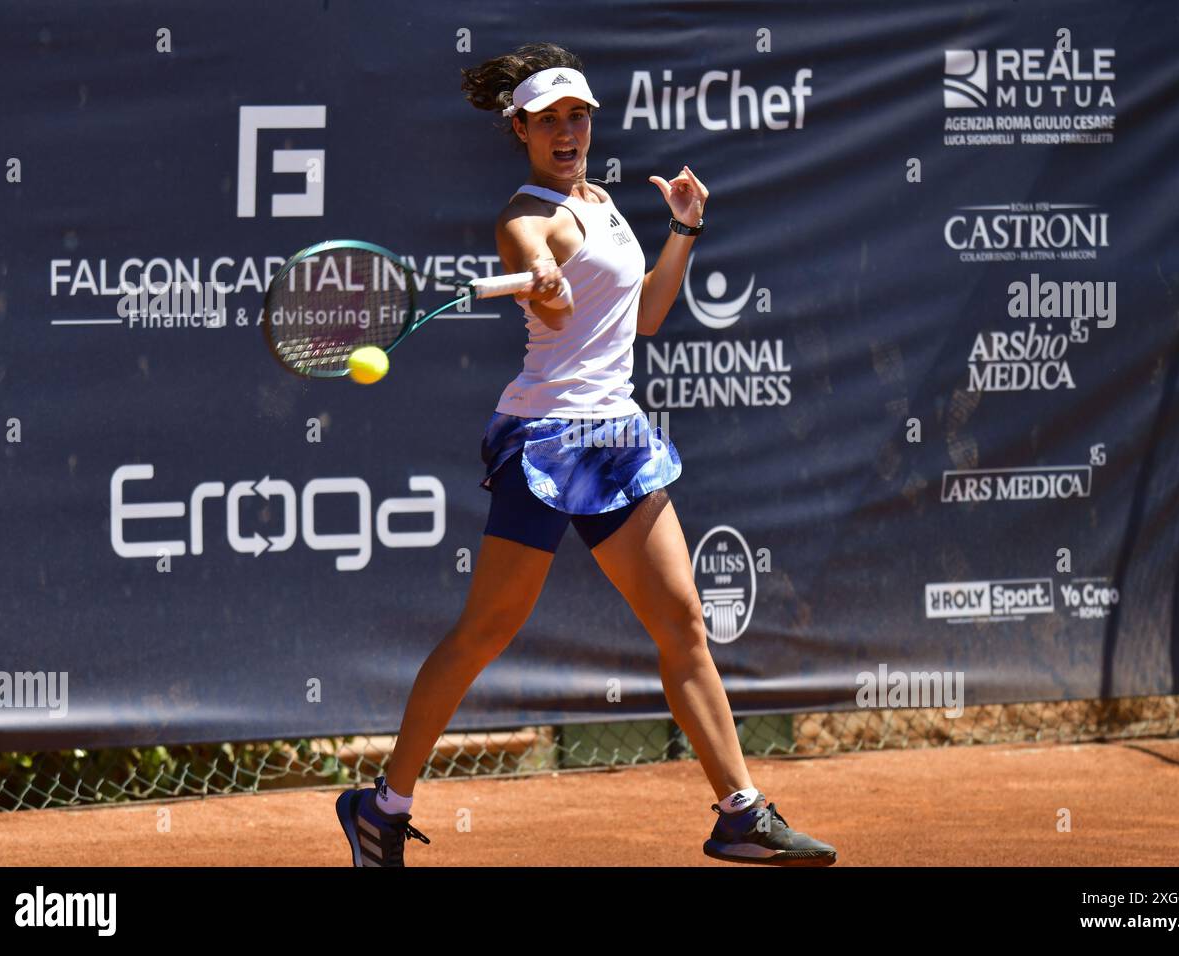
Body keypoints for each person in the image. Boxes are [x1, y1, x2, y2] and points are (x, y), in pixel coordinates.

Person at [336, 41, 837, 868]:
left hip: (614, 435)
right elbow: (545, 279)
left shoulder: (602, 200)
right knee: (485, 633)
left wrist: (682, 228)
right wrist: (546, 280)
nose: (569, 132)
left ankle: (740, 812)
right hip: (547, 437)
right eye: (551, 121)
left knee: (682, 623)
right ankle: (382, 808)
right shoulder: (525, 215)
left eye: (580, 116)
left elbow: (642, 319)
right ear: (523, 129)